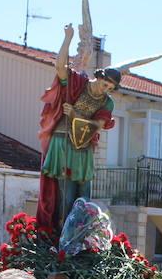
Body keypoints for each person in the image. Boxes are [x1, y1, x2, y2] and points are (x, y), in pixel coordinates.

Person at [38, 23, 119, 232]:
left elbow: (96, 126)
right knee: (65, 193)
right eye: (104, 84)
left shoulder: (107, 102)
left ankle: (81, 235)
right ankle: (63, 235)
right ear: (98, 77)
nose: (105, 90)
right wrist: (68, 38)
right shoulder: (77, 83)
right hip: (62, 140)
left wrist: (75, 114)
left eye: (110, 88)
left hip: (82, 146)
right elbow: (60, 68)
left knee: (84, 195)